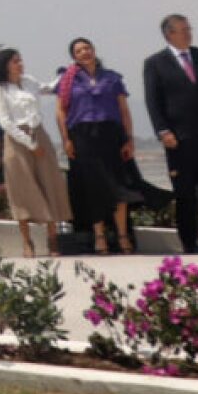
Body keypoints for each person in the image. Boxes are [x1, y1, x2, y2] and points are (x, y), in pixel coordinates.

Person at [142, 13, 198, 254]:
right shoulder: (155, 63)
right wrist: (163, 130)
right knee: (185, 192)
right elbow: (152, 101)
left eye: (189, 28)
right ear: (170, 34)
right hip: (178, 139)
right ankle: (189, 242)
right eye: (183, 29)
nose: (189, 33)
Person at [59, 36, 143, 255]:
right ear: (74, 57)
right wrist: (66, 139)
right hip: (83, 136)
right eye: (79, 50)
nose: (85, 52)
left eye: (87, 48)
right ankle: (99, 236)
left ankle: (123, 234)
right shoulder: (68, 81)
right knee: (93, 188)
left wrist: (129, 138)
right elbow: (61, 112)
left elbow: (124, 110)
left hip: (111, 135)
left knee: (119, 186)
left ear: (94, 50)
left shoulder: (112, 78)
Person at [0, 47, 72, 258]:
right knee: (22, 188)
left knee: (49, 183)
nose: (20, 64)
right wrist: (30, 144)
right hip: (18, 141)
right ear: (5, 64)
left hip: (39, 133)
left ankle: (52, 239)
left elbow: (50, 88)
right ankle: (27, 242)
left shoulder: (29, 81)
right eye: (15, 61)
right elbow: (5, 122)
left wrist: (66, 74)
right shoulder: (0, 90)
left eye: (20, 60)